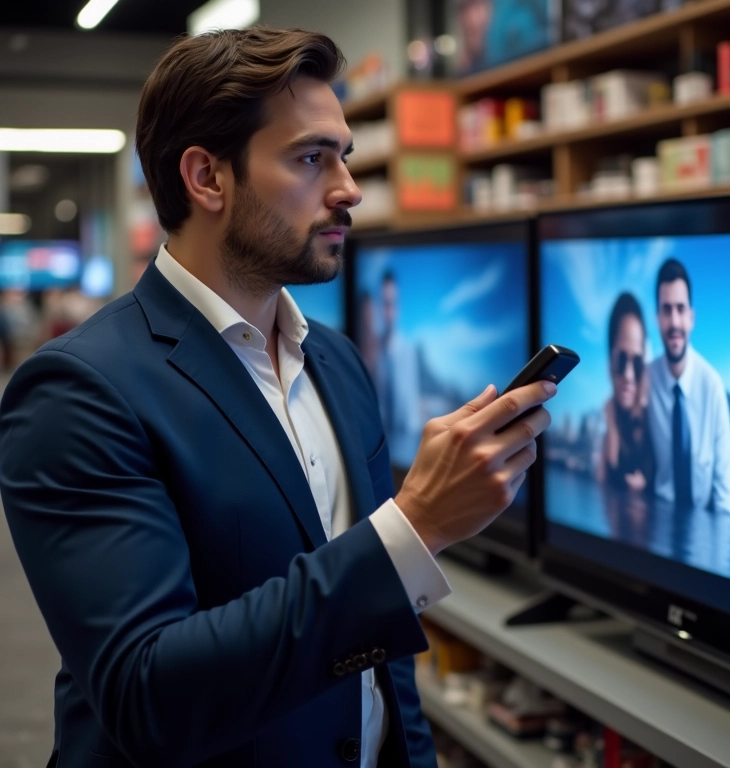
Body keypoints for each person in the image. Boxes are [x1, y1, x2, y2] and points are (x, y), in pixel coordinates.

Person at [0, 28, 555, 768]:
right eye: (310, 158)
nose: (348, 187)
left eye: (346, 156)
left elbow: (383, 666)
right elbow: (146, 693)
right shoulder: (78, 390)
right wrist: (412, 528)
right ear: (207, 178)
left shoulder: (336, 362)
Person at [647, 258, 730, 514]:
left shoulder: (713, 387)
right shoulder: (646, 381)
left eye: (680, 309)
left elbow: (725, 496)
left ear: (691, 317)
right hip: (656, 522)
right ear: (657, 319)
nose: (674, 322)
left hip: (703, 526)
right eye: (666, 310)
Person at [599, 292, 654, 494]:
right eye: (621, 360)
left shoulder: (655, 419)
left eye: (637, 362)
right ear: (609, 363)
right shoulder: (607, 419)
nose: (629, 376)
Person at [374, 270, 422, 468]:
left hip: (406, 454)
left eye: (392, 304)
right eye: (384, 304)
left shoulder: (409, 352)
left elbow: (412, 409)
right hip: (378, 454)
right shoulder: (371, 352)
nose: (389, 312)